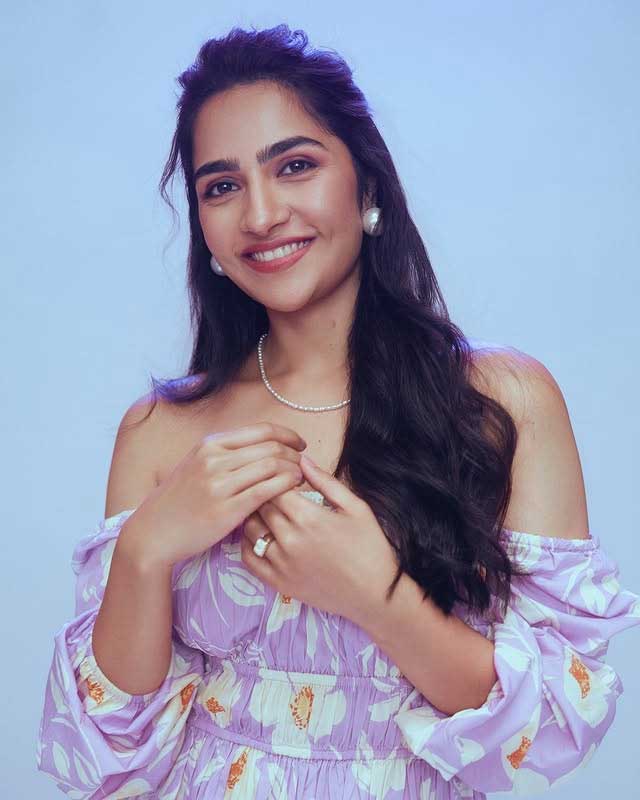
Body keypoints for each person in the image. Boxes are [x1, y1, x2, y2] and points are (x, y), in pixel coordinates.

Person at [36, 23, 640, 800]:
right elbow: (109, 757)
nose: (260, 214)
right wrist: (145, 550)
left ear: (369, 187)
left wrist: (373, 593)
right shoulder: (160, 431)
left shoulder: (501, 401)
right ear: (204, 228)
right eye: (221, 186)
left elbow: (550, 729)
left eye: (294, 166)